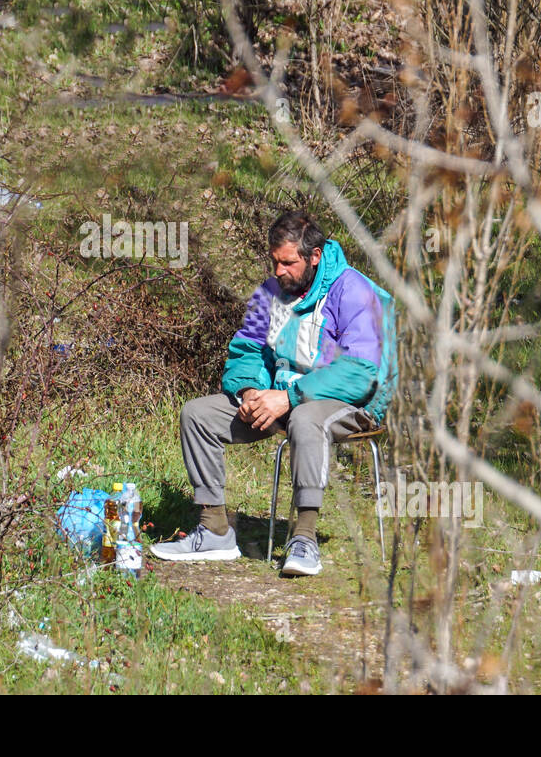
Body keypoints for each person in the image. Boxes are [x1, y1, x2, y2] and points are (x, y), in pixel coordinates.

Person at [150, 210, 395, 576]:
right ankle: (214, 530)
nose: (279, 271)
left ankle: (304, 539)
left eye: (288, 262)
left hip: (352, 403)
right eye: (274, 261)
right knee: (197, 415)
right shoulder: (269, 294)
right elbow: (247, 350)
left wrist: (290, 398)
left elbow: (362, 372)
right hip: (281, 399)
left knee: (306, 417)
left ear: (314, 256)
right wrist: (249, 391)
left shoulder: (353, 291)